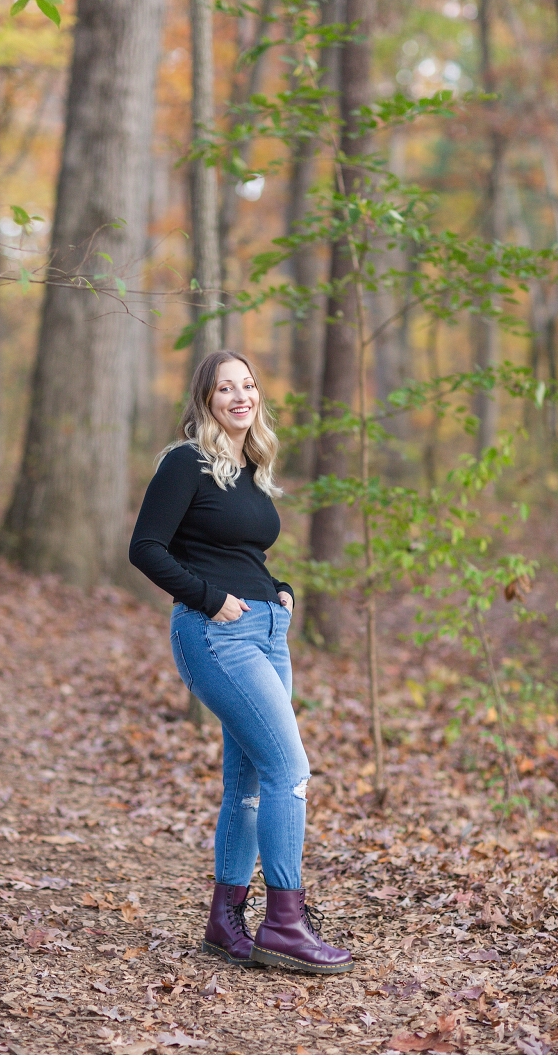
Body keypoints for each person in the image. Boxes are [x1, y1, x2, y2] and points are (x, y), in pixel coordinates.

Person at [129, 350, 353, 975]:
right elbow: (145, 548)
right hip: (214, 634)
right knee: (291, 770)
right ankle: (285, 923)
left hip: (267, 631)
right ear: (205, 399)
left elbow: (233, 550)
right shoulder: (186, 463)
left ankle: (226, 923)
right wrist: (210, 599)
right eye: (226, 388)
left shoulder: (248, 466)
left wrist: (274, 585)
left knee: (251, 783)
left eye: (249, 385)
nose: (240, 397)